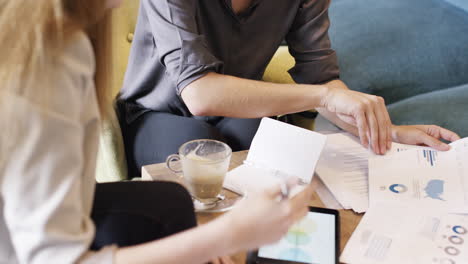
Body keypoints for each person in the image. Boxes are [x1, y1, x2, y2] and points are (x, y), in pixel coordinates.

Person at [0, 0, 313, 263]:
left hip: (44, 218)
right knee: (190, 159)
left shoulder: (74, 38)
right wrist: (226, 235)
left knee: (172, 202)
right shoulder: (49, 59)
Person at [117, 0, 461, 177]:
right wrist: (323, 95)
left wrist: (387, 132)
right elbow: (200, 95)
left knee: (280, 164)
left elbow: (320, 76)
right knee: (197, 157)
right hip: (155, 112)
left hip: (242, 109)